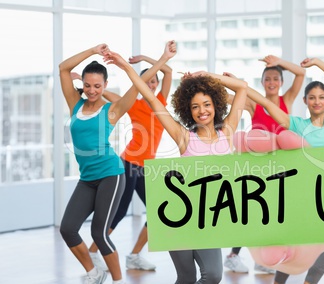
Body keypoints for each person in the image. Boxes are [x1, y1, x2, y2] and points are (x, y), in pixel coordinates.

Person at [129, 66, 248, 282]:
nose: (202, 111)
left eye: (206, 104)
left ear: (216, 105)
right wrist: (124, 66)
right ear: (188, 110)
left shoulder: (227, 132)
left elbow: (242, 87)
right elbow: (153, 100)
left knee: (213, 275)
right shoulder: (184, 136)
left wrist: (204, 77)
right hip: (179, 217)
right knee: (186, 277)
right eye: (195, 107)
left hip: (208, 220)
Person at [242, 57, 324, 284]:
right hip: (303, 189)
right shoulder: (298, 124)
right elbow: (270, 106)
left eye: (321, 97)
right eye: (312, 98)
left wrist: (318, 63)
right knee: (300, 239)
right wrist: (245, 89)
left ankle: (303, 281)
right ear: (305, 101)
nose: (317, 101)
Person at [86, 43, 176, 272]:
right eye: (147, 80)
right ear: (140, 83)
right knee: (119, 212)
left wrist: (145, 59)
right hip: (128, 164)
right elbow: (106, 93)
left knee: (158, 213)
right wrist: (88, 87)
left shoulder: (162, 102)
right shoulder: (134, 105)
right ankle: (92, 253)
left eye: (153, 80)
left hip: (146, 167)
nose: (152, 83)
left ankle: (134, 255)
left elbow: (168, 72)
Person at [58, 44, 142, 284]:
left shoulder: (111, 110)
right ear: (82, 84)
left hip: (110, 174)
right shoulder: (75, 103)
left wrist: (124, 64)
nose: (92, 90)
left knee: (99, 233)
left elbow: (138, 85)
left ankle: (118, 281)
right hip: (87, 179)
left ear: (105, 86)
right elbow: (63, 69)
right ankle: (95, 273)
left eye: (97, 86)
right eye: (87, 85)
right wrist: (93, 50)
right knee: (68, 228)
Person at [223, 55, 305, 274]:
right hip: (256, 165)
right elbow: (229, 97)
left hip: (280, 166)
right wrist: (229, 81)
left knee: (271, 213)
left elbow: (301, 73)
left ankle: (262, 258)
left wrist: (279, 61)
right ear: (262, 82)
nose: (271, 82)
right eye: (267, 78)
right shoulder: (253, 103)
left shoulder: (286, 101)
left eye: (275, 78)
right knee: (252, 211)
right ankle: (233, 256)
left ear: (281, 82)